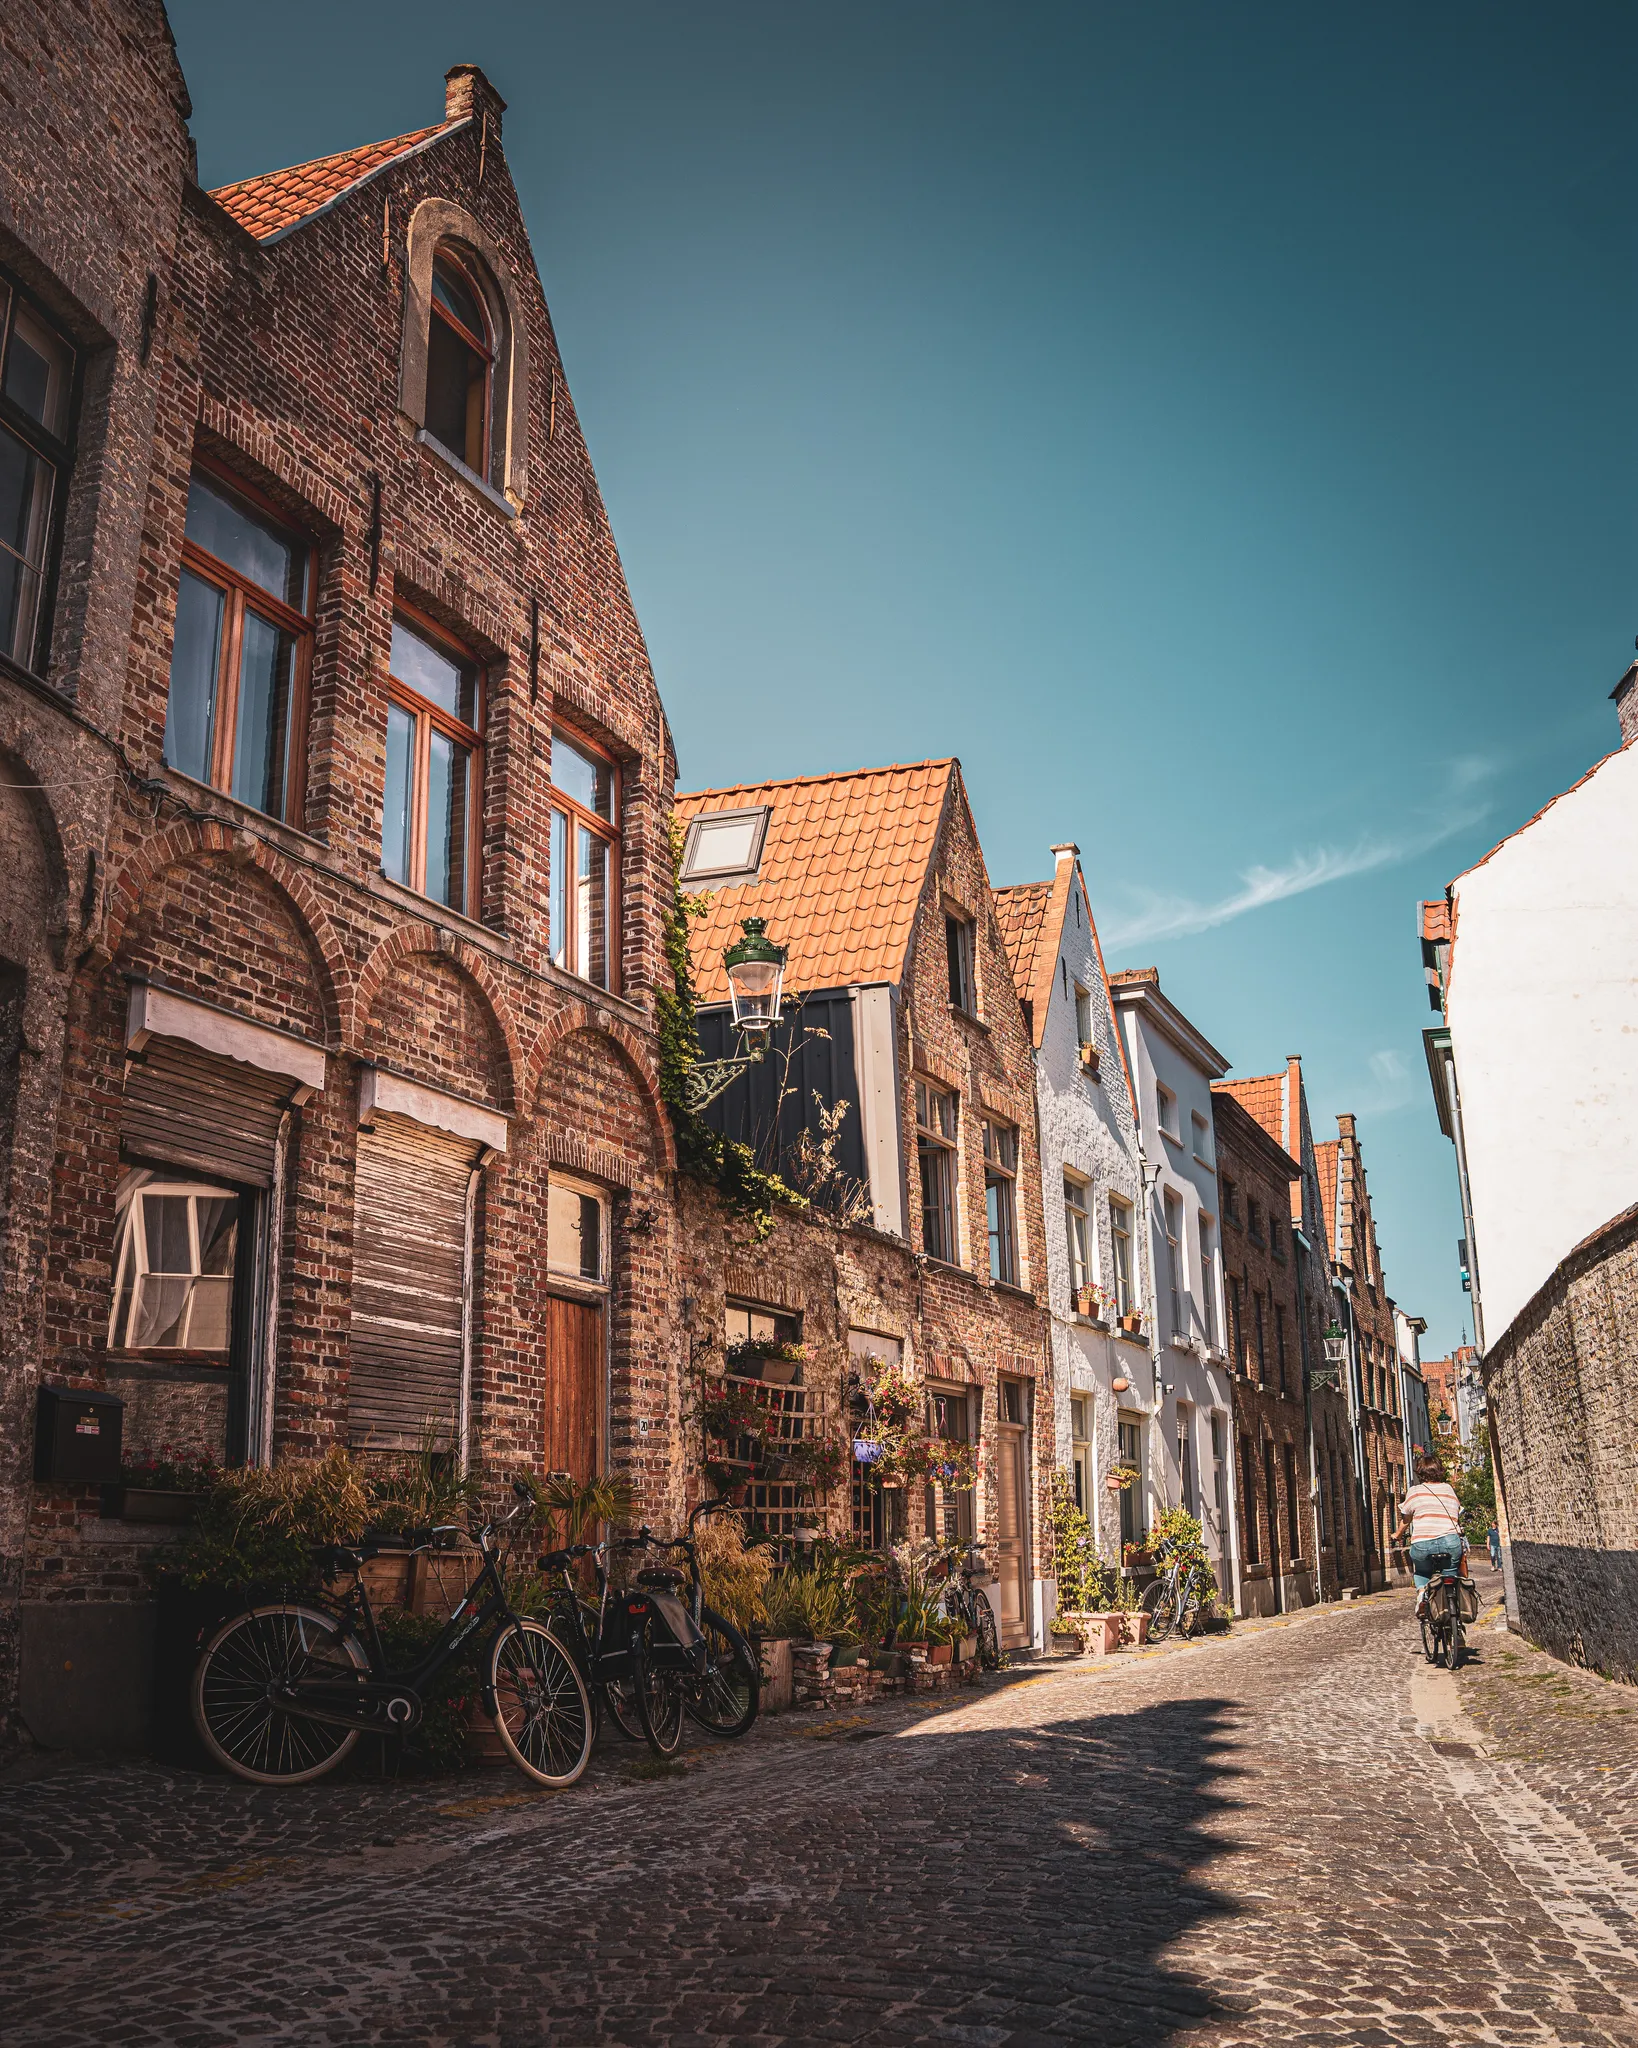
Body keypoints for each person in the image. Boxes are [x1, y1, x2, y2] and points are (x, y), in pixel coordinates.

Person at [1395, 1456, 1466, 1616]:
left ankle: (1422, 1595)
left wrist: (1398, 1534)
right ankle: (1453, 1606)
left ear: (1420, 1472)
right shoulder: (1448, 1489)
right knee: (1450, 1571)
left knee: (1422, 1572)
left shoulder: (1414, 1491)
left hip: (1423, 1543)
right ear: (1440, 1470)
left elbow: (1406, 1519)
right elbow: (1457, 1512)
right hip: (1450, 1541)